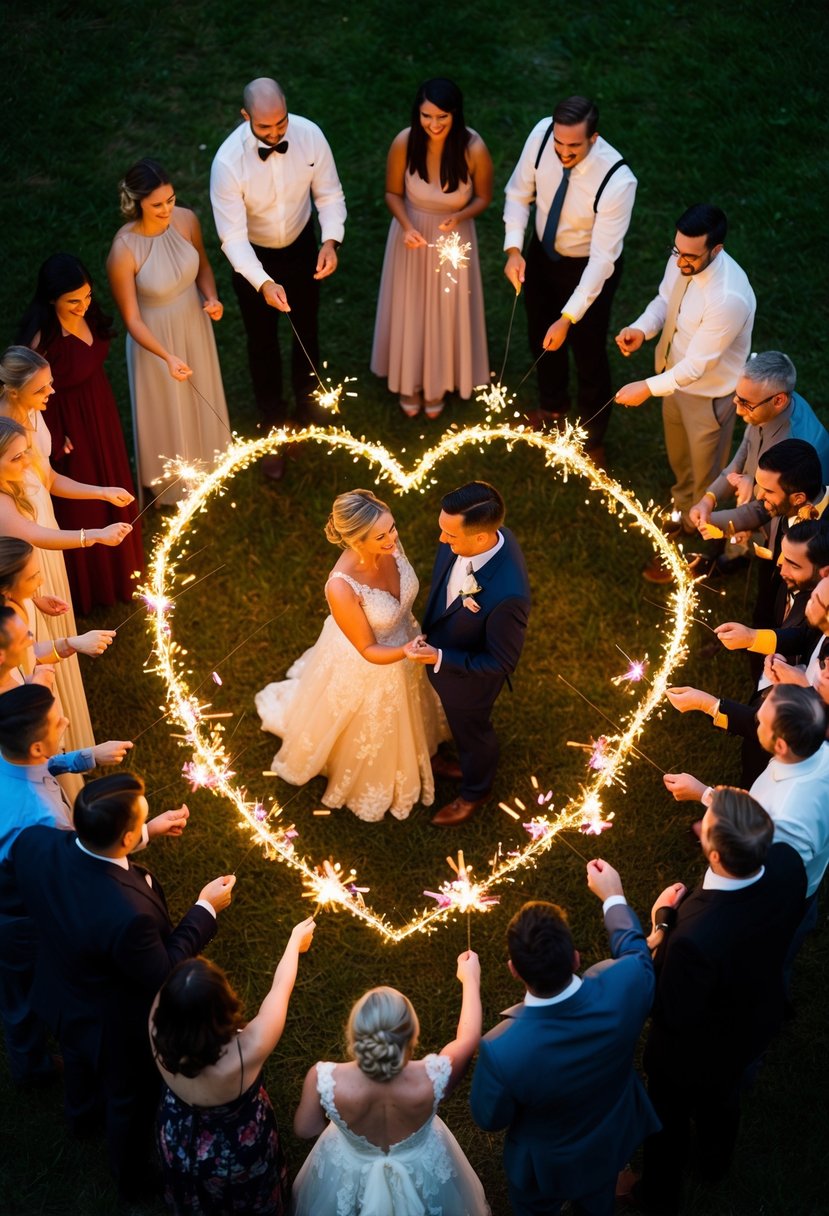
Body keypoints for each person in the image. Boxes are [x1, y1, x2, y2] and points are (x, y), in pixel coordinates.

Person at [12, 772, 235, 1200]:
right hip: (112, 1025)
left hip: (59, 993)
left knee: (75, 1059)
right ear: (124, 836)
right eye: (143, 818)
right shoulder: (126, 913)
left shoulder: (35, 845)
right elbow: (164, 968)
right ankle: (132, 1178)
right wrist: (206, 909)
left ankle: (79, 1117)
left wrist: (145, 833)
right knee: (128, 1100)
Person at [629, 788, 806, 1215]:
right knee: (724, 1102)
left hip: (694, 1054)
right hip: (755, 1018)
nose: (699, 826)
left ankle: (657, 1191)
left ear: (714, 857)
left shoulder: (693, 934)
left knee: (667, 1122)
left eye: (703, 829)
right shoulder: (789, 865)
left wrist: (660, 924)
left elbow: (669, 1009)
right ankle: (714, 1162)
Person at [0, 685, 180, 1088]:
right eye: (57, 722)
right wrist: (145, 831)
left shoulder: (10, 757)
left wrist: (86, 757)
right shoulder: (43, 818)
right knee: (22, 989)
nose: (65, 722)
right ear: (34, 746)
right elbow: (84, 863)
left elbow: (39, 767)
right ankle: (31, 1067)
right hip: (17, 914)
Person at [470, 861, 658, 1216]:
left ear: (513, 970)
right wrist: (613, 897)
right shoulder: (627, 983)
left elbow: (489, 1117)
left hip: (544, 1166)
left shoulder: (501, 1048)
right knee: (598, 1203)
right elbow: (636, 953)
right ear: (575, 958)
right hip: (608, 1140)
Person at [256, 489, 448, 821]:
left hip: (407, 642)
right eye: (381, 535)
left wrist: (409, 641)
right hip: (370, 662)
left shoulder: (387, 543)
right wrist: (403, 651)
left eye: (392, 528)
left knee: (417, 708)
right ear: (357, 540)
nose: (392, 538)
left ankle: (426, 750)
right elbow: (367, 649)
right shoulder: (341, 587)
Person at [210, 77, 346, 479]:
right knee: (262, 341)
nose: (274, 133)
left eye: (281, 123)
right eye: (264, 127)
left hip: (304, 246)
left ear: (287, 108)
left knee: (307, 329)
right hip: (254, 257)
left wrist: (331, 241)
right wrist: (262, 282)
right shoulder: (227, 163)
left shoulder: (310, 136)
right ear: (245, 116)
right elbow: (232, 237)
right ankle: (273, 423)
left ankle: (308, 410)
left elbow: (330, 195)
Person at [615, 204, 755, 582]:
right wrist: (643, 329)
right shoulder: (684, 257)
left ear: (717, 250)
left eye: (691, 255)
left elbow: (698, 366)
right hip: (672, 383)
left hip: (708, 397)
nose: (680, 261)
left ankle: (698, 544)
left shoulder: (728, 298)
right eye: (677, 251)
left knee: (708, 475)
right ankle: (682, 515)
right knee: (681, 462)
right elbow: (665, 301)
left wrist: (646, 387)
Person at [292, 952, 488, 1216]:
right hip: (420, 1163)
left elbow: (306, 1129)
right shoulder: (434, 1077)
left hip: (349, 1167)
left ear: (354, 1034)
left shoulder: (324, 1078)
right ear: (412, 1035)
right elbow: (469, 1037)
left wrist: (342, 1119)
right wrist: (470, 979)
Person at [151, 917, 315, 1216]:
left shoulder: (155, 1027)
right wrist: (293, 943)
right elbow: (280, 989)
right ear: (224, 1006)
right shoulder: (248, 1050)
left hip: (177, 1132)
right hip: (237, 1151)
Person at [503, 95, 636, 460]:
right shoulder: (542, 135)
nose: (562, 151)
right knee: (540, 338)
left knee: (588, 351)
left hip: (588, 266)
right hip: (541, 254)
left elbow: (602, 260)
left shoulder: (618, 180)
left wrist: (568, 317)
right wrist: (514, 249)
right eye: (559, 142)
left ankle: (592, 437)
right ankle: (552, 406)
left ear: (594, 138)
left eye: (573, 145)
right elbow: (518, 192)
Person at [0, 404, 129, 778]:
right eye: (17, 456)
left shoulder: (16, 615)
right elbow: (25, 664)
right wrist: (96, 535)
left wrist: (71, 639)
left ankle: (72, 755)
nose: (28, 460)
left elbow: (32, 651)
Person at [16, 253, 144, 610]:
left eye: (87, 296)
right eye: (73, 300)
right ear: (51, 299)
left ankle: (125, 572)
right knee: (84, 501)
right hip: (66, 424)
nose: (83, 305)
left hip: (99, 410)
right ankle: (93, 586)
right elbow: (28, 397)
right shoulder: (41, 341)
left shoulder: (89, 315)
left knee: (112, 481)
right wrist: (55, 435)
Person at [107, 157, 231, 505]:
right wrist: (166, 356)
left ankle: (210, 466)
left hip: (194, 322)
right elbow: (131, 320)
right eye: (157, 204)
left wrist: (211, 297)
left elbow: (203, 265)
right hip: (155, 338)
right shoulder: (124, 250)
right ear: (137, 203)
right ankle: (172, 485)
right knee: (166, 407)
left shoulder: (186, 220)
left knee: (200, 394)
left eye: (171, 200)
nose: (167, 209)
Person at [406, 481, 530, 825]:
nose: (441, 541)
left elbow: (501, 662)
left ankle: (476, 790)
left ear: (480, 538)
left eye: (450, 536)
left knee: (473, 734)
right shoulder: (467, 541)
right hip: (444, 643)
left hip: (469, 683)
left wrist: (440, 657)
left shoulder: (509, 595)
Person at [370, 77, 491, 419]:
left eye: (442, 117)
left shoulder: (474, 148)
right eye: (426, 116)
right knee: (411, 308)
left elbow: (484, 197)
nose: (433, 125)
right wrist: (407, 227)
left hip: (453, 238)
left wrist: (460, 215)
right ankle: (410, 383)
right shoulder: (404, 142)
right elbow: (392, 193)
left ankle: (438, 383)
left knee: (446, 311)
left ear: (455, 115)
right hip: (411, 237)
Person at [688, 352, 829, 570]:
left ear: (779, 400)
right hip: (768, 498)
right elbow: (744, 451)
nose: (737, 409)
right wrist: (710, 498)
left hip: (789, 522)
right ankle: (738, 549)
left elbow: (765, 508)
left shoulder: (794, 445)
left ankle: (745, 555)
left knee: (772, 576)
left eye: (745, 403)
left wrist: (715, 521)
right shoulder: (763, 405)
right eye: (737, 398)